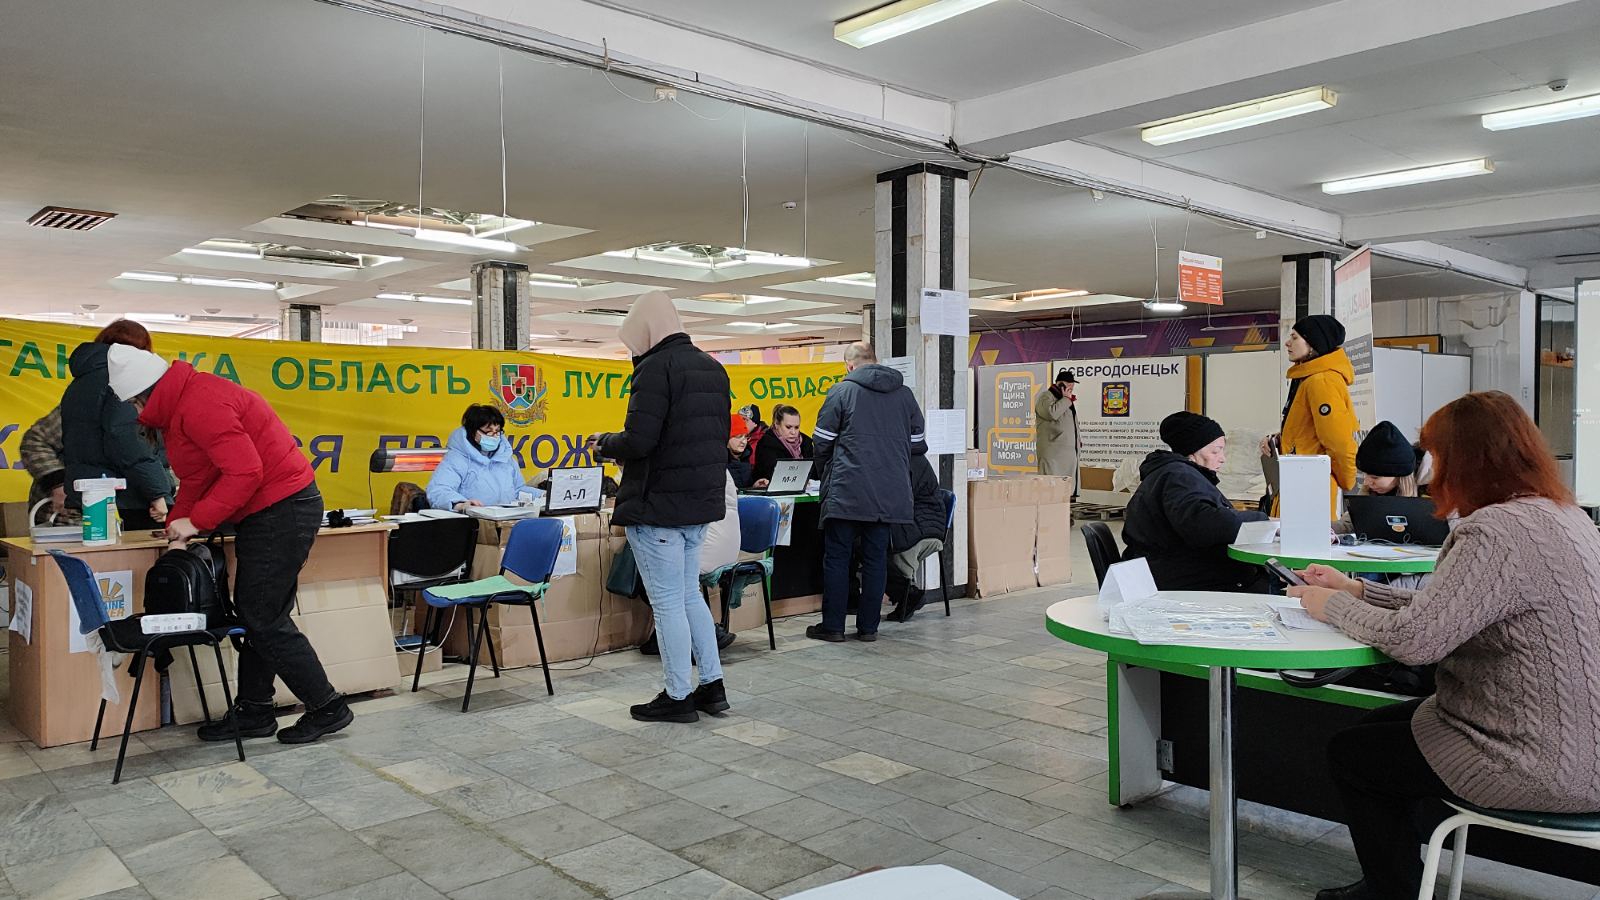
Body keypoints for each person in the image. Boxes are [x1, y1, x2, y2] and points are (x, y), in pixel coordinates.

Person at [1288, 391, 1600, 900]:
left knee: (1352, 755)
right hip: (1579, 743)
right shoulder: (1564, 516)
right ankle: (1397, 881)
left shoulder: (1494, 531)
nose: (1429, 470)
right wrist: (1357, 590)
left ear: (1464, 458)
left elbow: (1416, 640)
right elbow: (1455, 609)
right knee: (1373, 731)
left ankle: (1392, 892)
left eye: (1435, 454)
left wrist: (1332, 606)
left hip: (1536, 760)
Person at [107, 344, 352, 744]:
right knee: (259, 612)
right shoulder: (185, 403)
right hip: (271, 508)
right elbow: (198, 477)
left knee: (262, 614)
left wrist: (196, 521)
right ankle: (255, 711)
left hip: (282, 506)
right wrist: (177, 526)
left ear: (146, 394)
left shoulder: (200, 404)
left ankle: (327, 707)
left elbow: (245, 472)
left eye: (135, 403)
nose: (136, 413)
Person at [591, 292, 731, 723]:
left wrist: (604, 443)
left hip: (658, 508)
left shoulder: (655, 369)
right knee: (689, 596)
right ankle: (712, 685)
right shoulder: (713, 367)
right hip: (699, 506)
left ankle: (677, 695)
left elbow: (640, 441)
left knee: (668, 603)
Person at [807, 342, 926, 643]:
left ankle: (833, 627)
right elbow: (918, 443)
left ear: (848, 365)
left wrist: (827, 472)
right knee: (876, 560)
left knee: (838, 558)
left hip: (847, 491)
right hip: (888, 494)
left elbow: (821, 441)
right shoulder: (904, 395)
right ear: (875, 360)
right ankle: (869, 628)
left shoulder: (841, 392)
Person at [1122, 411, 1271, 592]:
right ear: (1192, 452)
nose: (1222, 458)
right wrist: (1263, 521)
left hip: (1171, 569)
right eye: (1215, 451)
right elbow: (1205, 524)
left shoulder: (1173, 473)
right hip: (1178, 576)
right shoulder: (1179, 477)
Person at [60, 320, 174, 530]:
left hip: (90, 493)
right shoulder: (122, 378)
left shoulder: (78, 384)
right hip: (126, 497)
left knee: (100, 549)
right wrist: (158, 493)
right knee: (141, 551)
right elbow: (129, 439)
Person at [1264, 314, 1357, 513]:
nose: (1287, 343)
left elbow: (1338, 441)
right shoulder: (1308, 378)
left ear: (1314, 343)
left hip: (1308, 487)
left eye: (1295, 337)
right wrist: (1278, 441)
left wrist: (1347, 481)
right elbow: (1307, 433)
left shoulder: (1321, 381)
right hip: (1299, 481)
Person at [1335, 420, 1432, 592]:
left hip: (1418, 572)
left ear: (1398, 475)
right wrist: (1322, 529)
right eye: (1365, 475)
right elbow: (1349, 523)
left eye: (1375, 477)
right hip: (1378, 568)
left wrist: (1374, 592)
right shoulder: (1371, 490)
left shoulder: (1434, 492)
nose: (1367, 482)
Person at [426, 404, 525, 511]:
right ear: (473, 432)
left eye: (497, 431)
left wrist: (538, 496)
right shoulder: (457, 459)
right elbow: (438, 490)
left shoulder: (506, 458)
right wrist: (461, 504)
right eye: (488, 431)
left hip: (509, 518)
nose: (495, 436)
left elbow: (519, 490)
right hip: (472, 519)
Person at [885, 454, 945, 623]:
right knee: (868, 545)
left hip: (923, 522)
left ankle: (908, 594)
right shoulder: (906, 455)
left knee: (871, 547)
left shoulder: (910, 459)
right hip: (916, 519)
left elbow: (898, 497)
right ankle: (906, 593)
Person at [19, 407, 80, 526]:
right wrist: (58, 482)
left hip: (109, 511)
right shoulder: (86, 405)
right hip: (65, 515)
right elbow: (35, 441)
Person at [1033, 369, 1080, 494]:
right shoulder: (1046, 396)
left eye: (1072, 385)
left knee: (1065, 488)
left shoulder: (1065, 400)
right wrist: (1066, 399)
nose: (1071, 387)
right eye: (1068, 384)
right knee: (1049, 488)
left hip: (1066, 453)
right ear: (1060, 384)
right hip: (1053, 453)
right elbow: (1051, 413)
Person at [751, 403, 814, 485]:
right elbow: (770, 475)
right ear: (777, 424)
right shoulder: (766, 444)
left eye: (796, 427)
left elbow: (815, 472)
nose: (793, 432)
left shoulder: (806, 443)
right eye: (788, 427)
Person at [726, 413, 756, 491]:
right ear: (727, 438)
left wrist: (755, 486)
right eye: (739, 437)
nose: (744, 441)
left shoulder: (746, 458)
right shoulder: (720, 462)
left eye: (746, 437)